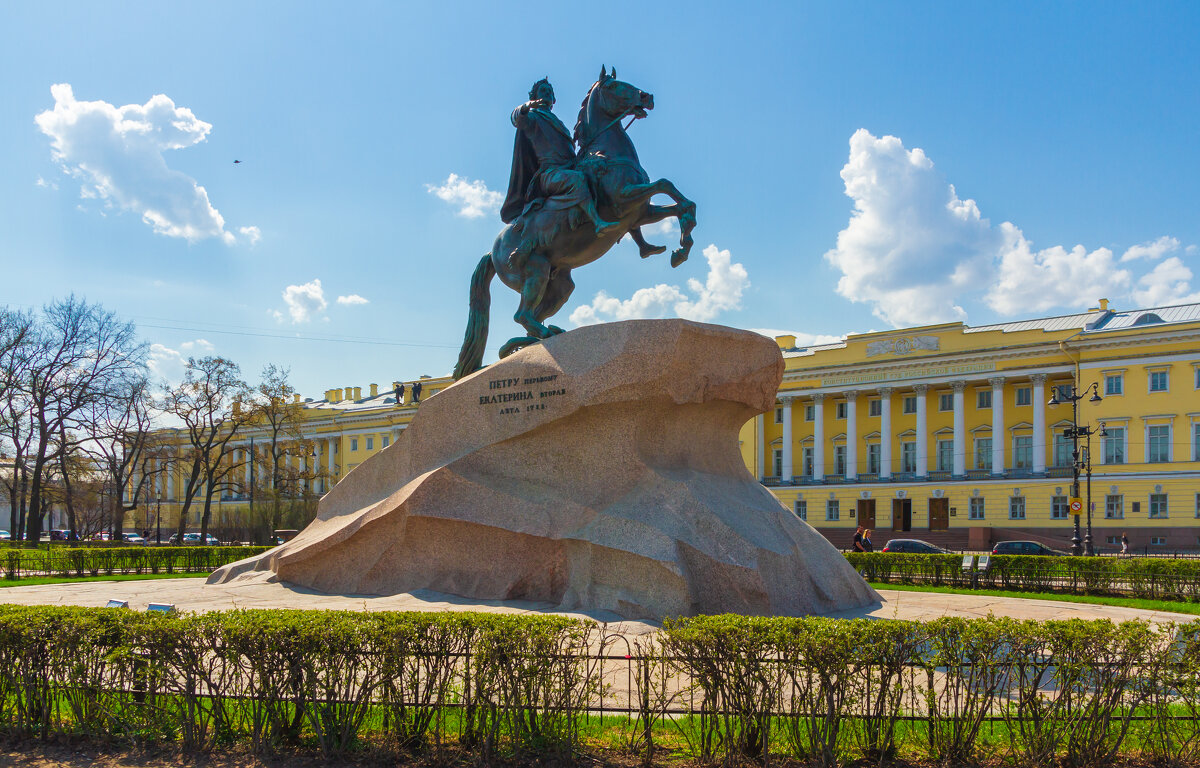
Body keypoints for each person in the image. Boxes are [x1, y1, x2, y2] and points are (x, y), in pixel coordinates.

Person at [501, 78, 621, 242]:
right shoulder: (533, 117)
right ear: (534, 97)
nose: (547, 94)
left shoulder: (559, 123)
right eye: (543, 91)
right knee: (577, 180)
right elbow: (517, 119)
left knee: (600, 171)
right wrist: (526, 107)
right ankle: (598, 222)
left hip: (568, 168)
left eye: (550, 92)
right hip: (549, 174)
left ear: (554, 100)